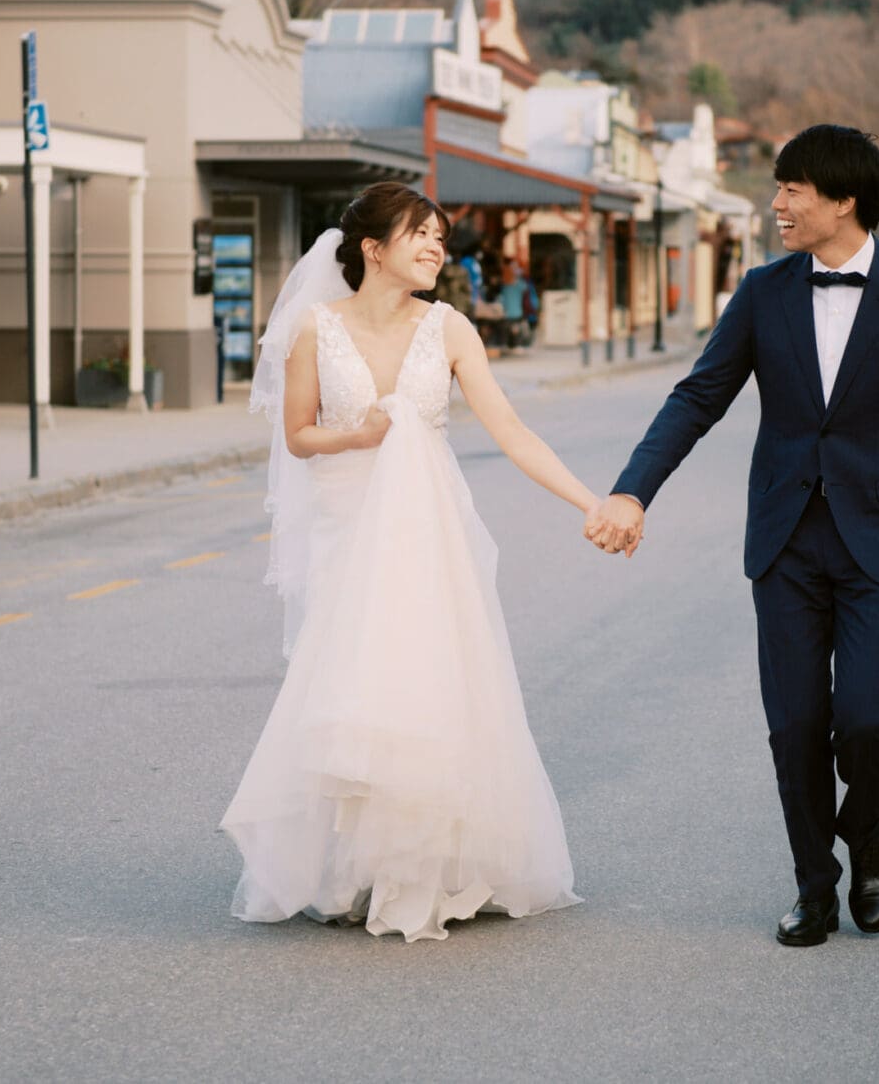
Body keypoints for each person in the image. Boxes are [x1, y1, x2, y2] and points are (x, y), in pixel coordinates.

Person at [585, 125, 879, 947]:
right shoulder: (763, 293)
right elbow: (699, 398)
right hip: (787, 540)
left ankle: (865, 832)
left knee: (867, 716)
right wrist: (632, 490)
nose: (778, 206)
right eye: (778, 189)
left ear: (845, 201)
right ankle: (815, 886)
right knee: (795, 722)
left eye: (794, 190)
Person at [221, 182, 598, 942]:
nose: (435, 249)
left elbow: (512, 429)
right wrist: (355, 435)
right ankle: (355, 868)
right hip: (346, 527)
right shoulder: (312, 329)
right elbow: (297, 434)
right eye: (420, 235)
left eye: (440, 238)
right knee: (357, 695)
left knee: (429, 688)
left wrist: (590, 503)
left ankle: (423, 868)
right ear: (372, 250)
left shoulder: (450, 329)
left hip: (430, 537)